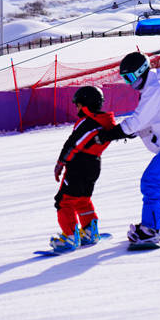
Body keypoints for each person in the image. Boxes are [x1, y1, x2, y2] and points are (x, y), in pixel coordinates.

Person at [96, 52, 160, 246]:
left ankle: (153, 229)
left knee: (152, 182)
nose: (129, 83)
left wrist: (111, 134)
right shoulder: (151, 90)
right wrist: (128, 132)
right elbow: (146, 120)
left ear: (142, 72)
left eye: (131, 78)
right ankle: (150, 225)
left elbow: (137, 120)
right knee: (151, 182)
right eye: (125, 79)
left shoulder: (155, 90)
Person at [50, 85, 117, 252]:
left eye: (78, 105)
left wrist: (61, 162)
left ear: (86, 104)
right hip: (93, 165)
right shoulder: (103, 121)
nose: (77, 108)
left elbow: (74, 143)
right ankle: (89, 232)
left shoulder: (89, 123)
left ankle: (70, 237)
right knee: (82, 200)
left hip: (79, 166)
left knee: (63, 201)